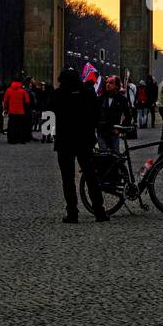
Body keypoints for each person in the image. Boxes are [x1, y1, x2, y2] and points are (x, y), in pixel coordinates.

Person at [51, 68, 107, 223]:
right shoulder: (88, 93)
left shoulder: (57, 95)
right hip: (85, 140)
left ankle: (72, 213)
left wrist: (50, 134)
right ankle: (99, 211)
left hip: (64, 141)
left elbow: (48, 116)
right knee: (91, 176)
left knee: (67, 179)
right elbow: (97, 115)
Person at [95, 75, 131, 155]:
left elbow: (128, 116)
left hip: (114, 132)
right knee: (104, 155)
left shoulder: (122, 99)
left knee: (115, 155)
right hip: (102, 131)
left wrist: (120, 129)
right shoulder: (100, 99)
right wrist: (97, 126)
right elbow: (95, 114)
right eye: (107, 82)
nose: (107, 84)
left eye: (111, 83)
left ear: (117, 85)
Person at [3, 78, 32, 145]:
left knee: (11, 126)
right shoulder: (23, 91)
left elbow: (5, 101)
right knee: (21, 126)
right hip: (21, 111)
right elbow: (27, 101)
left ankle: (11, 140)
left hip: (12, 111)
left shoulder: (8, 90)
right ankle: (21, 139)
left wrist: (5, 109)